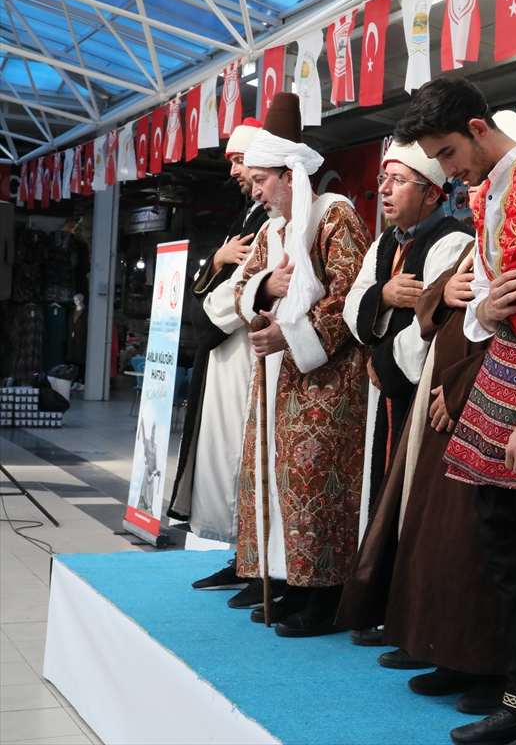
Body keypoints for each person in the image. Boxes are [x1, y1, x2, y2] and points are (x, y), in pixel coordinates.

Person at [395, 78, 516, 745]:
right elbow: (491, 296)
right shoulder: (491, 189)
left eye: (445, 153)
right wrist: (479, 310)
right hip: (503, 363)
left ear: (476, 127)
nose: (445, 168)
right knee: (504, 543)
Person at [232, 93, 372, 636]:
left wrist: (288, 338)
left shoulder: (334, 215)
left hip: (328, 382)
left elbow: (347, 295)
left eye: (263, 181)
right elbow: (243, 287)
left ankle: (327, 596)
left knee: (319, 481)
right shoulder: (273, 231)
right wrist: (267, 286)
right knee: (278, 479)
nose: (258, 191)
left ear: (290, 176)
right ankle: (290, 581)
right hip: (278, 381)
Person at [342, 140, 472, 563]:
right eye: (383, 179)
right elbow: (351, 302)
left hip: (416, 389)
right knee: (378, 484)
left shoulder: (451, 242)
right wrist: (382, 294)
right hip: (385, 388)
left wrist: (381, 362)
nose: (383, 189)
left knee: (408, 487)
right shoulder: (384, 243)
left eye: (398, 181)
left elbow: (431, 327)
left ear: (432, 191)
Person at [169, 118, 270, 593]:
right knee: (226, 456)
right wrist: (214, 263)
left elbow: (238, 293)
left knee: (243, 458)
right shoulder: (247, 218)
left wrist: (216, 291)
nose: (234, 172)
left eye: (239, 161)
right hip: (228, 353)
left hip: (250, 351)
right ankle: (240, 556)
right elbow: (211, 286)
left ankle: (254, 561)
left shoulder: (271, 219)